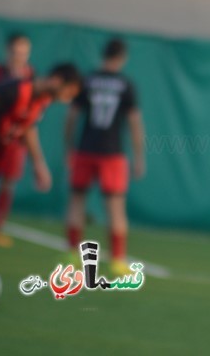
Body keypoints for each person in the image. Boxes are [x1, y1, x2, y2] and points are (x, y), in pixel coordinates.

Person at [0, 63, 82, 305]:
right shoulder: (17, 89)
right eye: (69, 92)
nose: (67, 99)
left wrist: (38, 164)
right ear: (57, 80)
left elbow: (27, 127)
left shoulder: (41, 101)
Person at [64, 38, 145, 276]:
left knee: (77, 201)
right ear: (122, 58)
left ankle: (72, 253)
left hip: (85, 149)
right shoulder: (126, 84)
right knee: (116, 208)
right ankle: (117, 259)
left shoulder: (87, 80)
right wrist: (139, 156)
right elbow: (134, 123)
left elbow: (71, 116)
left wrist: (69, 146)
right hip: (112, 153)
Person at [0, 33, 36, 248]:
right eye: (16, 52)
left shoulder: (31, 75)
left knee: (8, 182)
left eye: (24, 53)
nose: (19, 57)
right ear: (8, 52)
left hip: (15, 139)